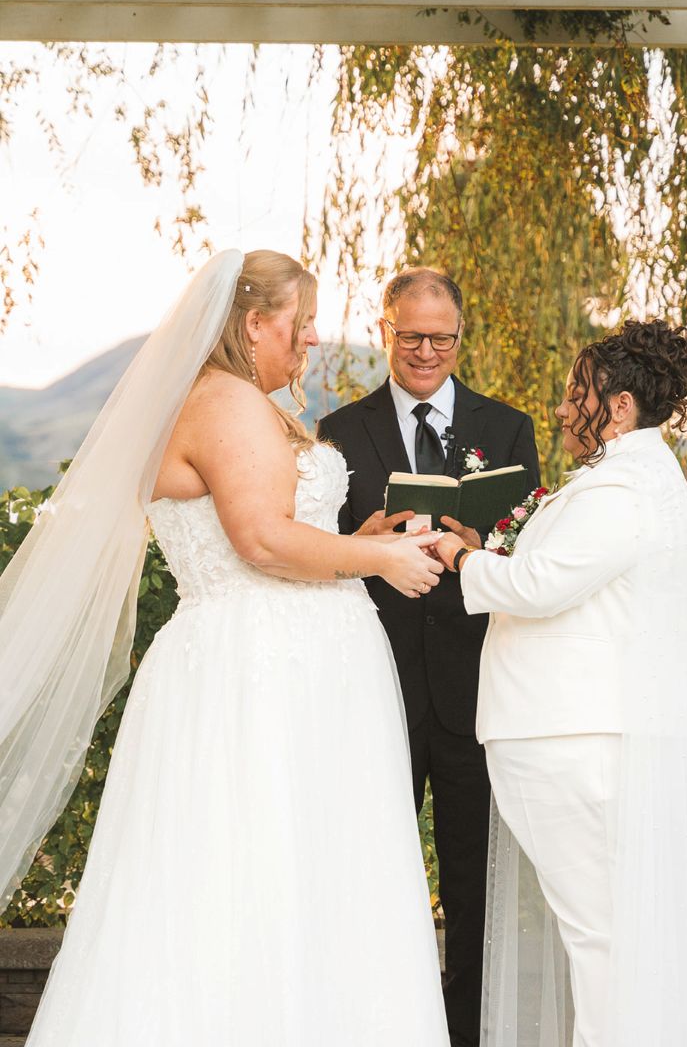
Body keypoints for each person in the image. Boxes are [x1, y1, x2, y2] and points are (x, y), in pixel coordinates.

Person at [0, 249, 451, 1046]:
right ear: (253, 324)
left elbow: (275, 528)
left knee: (287, 878)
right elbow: (261, 544)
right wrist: (380, 559)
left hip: (274, 666)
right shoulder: (227, 404)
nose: (309, 342)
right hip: (260, 674)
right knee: (254, 881)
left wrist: (354, 540)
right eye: (299, 326)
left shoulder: (232, 401)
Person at [434, 319, 687, 1047]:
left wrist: (461, 561)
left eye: (573, 394)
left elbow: (538, 584)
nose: (560, 410)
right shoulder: (635, 478)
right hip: (570, 738)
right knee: (609, 933)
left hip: (568, 741)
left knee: (601, 939)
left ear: (617, 407)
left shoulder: (621, 487)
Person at [317, 268, 539, 1047]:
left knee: (473, 882)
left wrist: (487, 545)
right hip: (375, 681)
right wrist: (361, 542)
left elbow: (526, 552)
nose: (425, 351)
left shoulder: (506, 427)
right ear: (385, 329)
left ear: (460, 335)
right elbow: (321, 553)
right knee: (373, 868)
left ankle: (469, 1031)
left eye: (441, 338)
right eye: (410, 335)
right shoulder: (341, 431)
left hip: (477, 685)